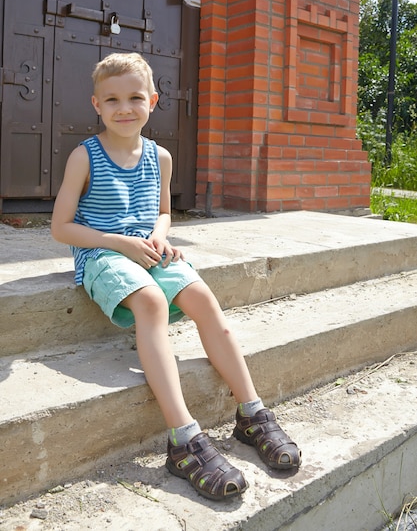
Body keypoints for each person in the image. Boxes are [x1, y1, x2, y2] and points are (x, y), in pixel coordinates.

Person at [51, 52, 301, 502]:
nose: (124, 108)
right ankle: (183, 439)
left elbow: (163, 212)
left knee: (203, 298)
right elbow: (60, 227)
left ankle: (252, 412)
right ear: (96, 105)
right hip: (102, 253)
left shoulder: (160, 156)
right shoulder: (83, 156)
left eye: (134, 97)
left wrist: (159, 236)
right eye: (112, 100)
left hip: (149, 249)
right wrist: (121, 243)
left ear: (153, 100)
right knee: (150, 302)